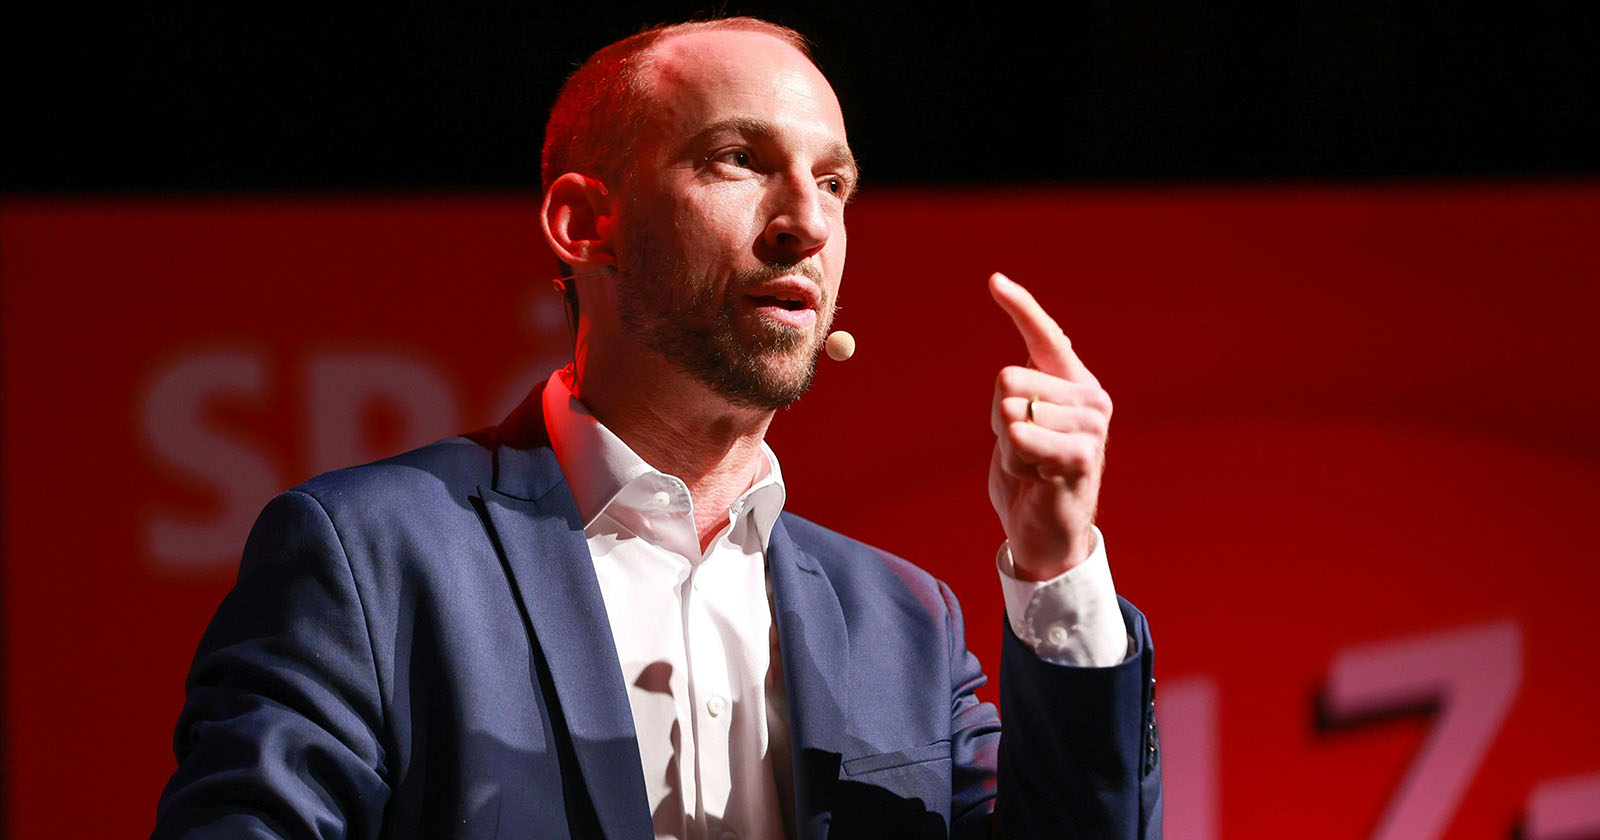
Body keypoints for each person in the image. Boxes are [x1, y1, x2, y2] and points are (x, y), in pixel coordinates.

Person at [154, 17, 1160, 840]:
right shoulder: (374, 559)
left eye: (835, 183)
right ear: (583, 225)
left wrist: (1055, 560)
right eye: (738, 159)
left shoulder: (902, 625)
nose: (805, 223)